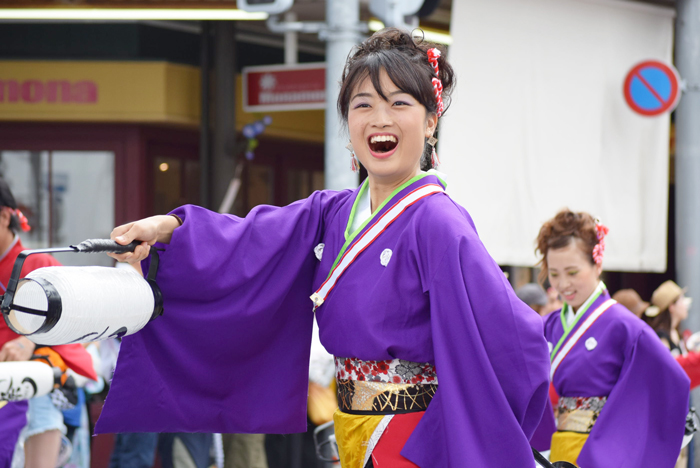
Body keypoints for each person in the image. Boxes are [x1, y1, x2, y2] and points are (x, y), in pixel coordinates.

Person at [97, 28, 551, 467]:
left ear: (431, 120)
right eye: (363, 104)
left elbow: (516, 341)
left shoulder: (437, 221)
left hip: (413, 441)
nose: (379, 118)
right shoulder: (334, 213)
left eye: (399, 103)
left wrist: (462, 435)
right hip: (351, 428)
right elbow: (251, 239)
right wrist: (167, 228)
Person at [535, 209, 689, 467]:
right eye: (554, 273)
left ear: (598, 263)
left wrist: (615, 448)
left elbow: (671, 381)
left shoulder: (625, 326)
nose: (563, 284)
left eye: (572, 272)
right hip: (560, 448)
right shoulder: (549, 325)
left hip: (607, 452)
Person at [0, 177, 96, 468]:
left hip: (35, 383)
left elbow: (81, 316)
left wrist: (28, 340)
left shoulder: (38, 264)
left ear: (5, 216)